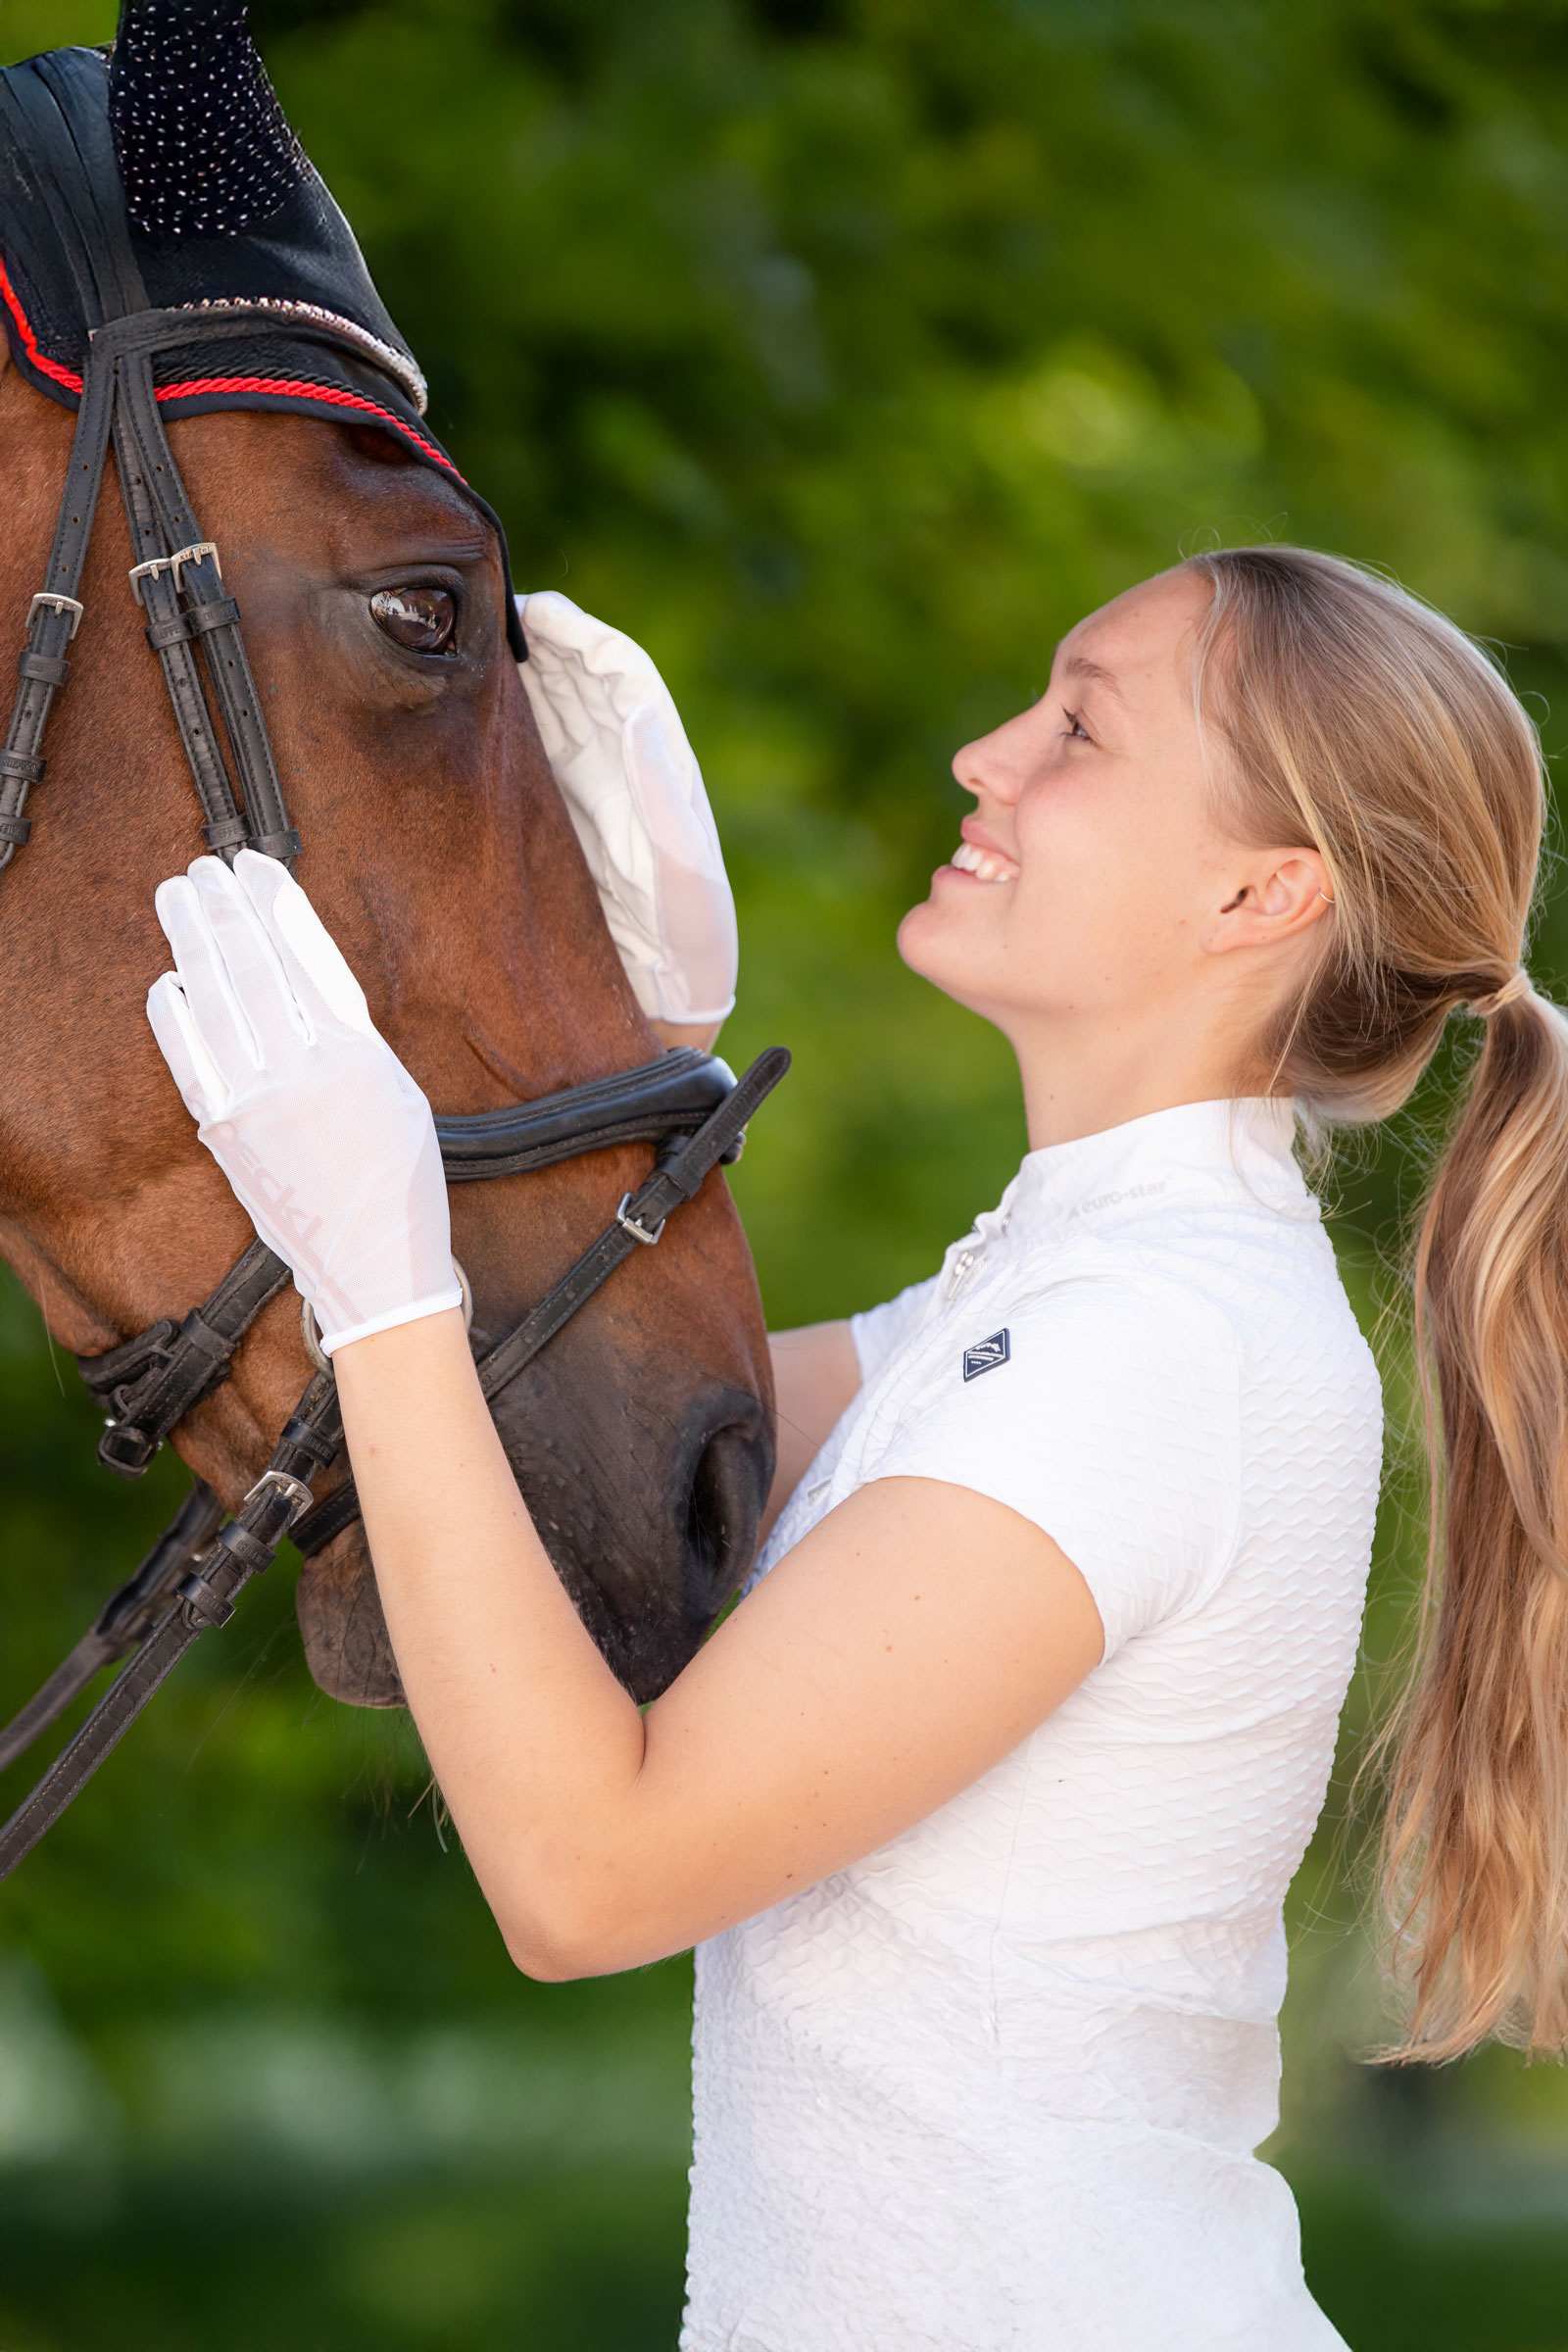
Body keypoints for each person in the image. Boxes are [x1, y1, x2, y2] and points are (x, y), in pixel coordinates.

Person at [142, 545, 1563, 2352]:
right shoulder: (1064, 1287)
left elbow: (594, 1875)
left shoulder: (1155, 1348)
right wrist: (642, 1057)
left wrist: (387, 1278)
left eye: (1077, 729)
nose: (987, 754)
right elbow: (564, 1462)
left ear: (1261, 892)